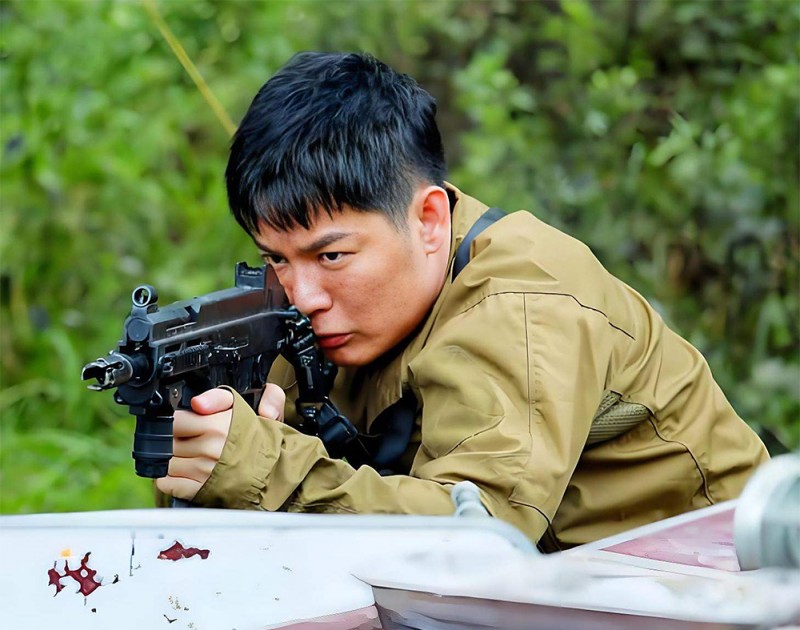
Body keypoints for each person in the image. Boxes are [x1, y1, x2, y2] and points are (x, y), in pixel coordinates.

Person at [155, 52, 768, 550]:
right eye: (276, 258)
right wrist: (207, 453)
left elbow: (479, 542)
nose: (304, 295)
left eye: (332, 256)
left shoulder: (523, 304)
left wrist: (264, 468)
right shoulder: (319, 308)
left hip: (719, 584)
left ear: (428, 219)